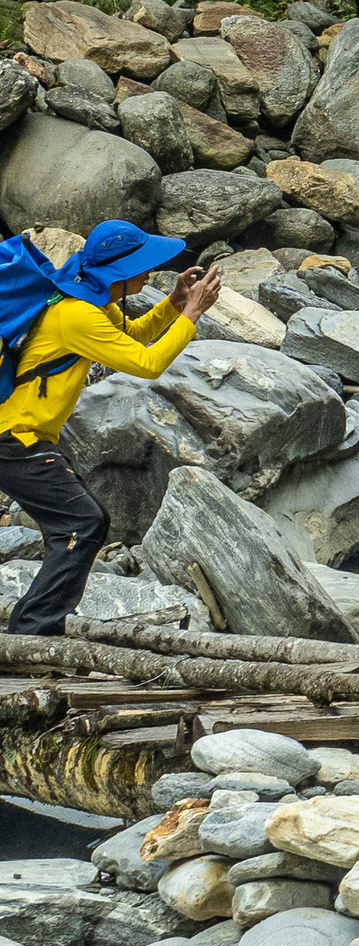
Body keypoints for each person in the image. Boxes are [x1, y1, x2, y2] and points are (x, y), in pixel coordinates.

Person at [1, 221, 218, 636]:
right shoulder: (77, 315)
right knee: (82, 524)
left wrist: (173, 303)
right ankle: (33, 631)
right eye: (143, 267)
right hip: (15, 440)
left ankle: (35, 623)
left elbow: (130, 337)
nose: (148, 275)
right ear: (119, 274)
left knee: (82, 523)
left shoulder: (87, 298)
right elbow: (147, 363)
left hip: (23, 437)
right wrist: (192, 314)